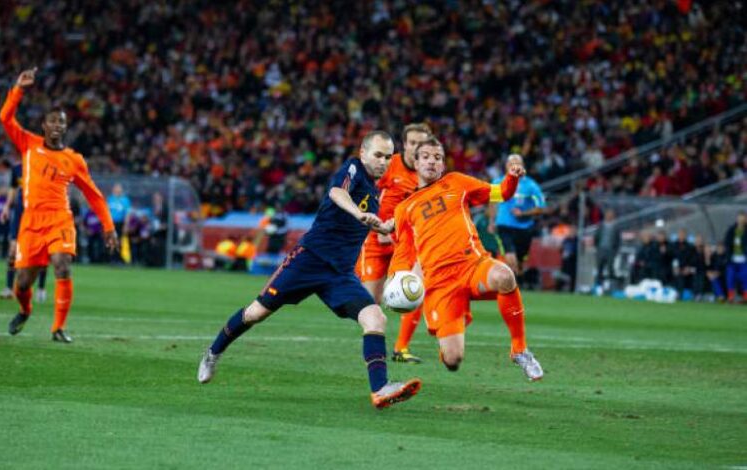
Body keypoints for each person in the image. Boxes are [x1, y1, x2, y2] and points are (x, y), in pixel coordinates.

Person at [198, 131, 422, 409]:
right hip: (309, 260)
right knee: (256, 313)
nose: (383, 162)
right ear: (363, 153)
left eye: (388, 157)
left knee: (375, 318)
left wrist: (382, 226)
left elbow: (361, 222)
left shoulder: (374, 192)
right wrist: (358, 213)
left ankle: (380, 389)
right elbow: (337, 193)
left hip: (340, 274)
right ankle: (213, 352)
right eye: (378, 155)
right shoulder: (353, 168)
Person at [391, 141, 543, 380]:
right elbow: (403, 251)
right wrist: (396, 278)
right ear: (416, 163)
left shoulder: (457, 182)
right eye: (426, 157)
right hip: (440, 284)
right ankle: (448, 344)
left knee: (505, 276)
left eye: (437, 157)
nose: (432, 161)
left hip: (472, 265)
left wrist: (512, 178)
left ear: (443, 165)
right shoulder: (404, 209)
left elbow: (500, 193)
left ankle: (519, 349)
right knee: (453, 360)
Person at [0, 68, 118, 342]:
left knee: (62, 265)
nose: (56, 126)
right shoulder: (29, 144)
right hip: (31, 222)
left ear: (65, 127)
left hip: (59, 219)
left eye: (61, 122)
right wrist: (19, 89)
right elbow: (5, 117)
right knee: (22, 283)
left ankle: (58, 328)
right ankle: (25, 310)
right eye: (52, 121)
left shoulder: (74, 160)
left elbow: (94, 195)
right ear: (44, 125)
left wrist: (109, 226)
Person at [356, 123, 431, 364]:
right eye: (413, 143)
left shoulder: (429, 172)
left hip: (404, 240)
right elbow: (365, 192)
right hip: (376, 238)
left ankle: (401, 348)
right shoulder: (389, 165)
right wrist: (376, 224)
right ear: (405, 145)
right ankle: (374, 347)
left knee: (416, 288)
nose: (417, 148)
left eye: (422, 143)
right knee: (371, 303)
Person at [489, 155, 547, 283]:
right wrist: (492, 222)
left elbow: (541, 207)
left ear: (522, 166)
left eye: (517, 163)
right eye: (511, 163)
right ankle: (512, 285)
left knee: (519, 262)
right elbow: (492, 203)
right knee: (510, 257)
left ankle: (518, 280)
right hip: (504, 225)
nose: (514, 166)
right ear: (506, 166)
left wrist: (524, 213)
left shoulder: (531, 186)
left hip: (524, 228)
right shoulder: (498, 183)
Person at [0, 161, 48, 302]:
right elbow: (13, 188)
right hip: (20, 215)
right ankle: (9, 288)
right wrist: (6, 207)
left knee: (41, 252)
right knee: (13, 250)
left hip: (39, 215)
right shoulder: (17, 168)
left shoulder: (42, 165)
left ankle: (41, 288)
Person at [594, 208, 621, 291]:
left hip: (611, 251)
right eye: (608, 214)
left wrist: (615, 251)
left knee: (610, 269)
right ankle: (598, 288)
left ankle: (611, 288)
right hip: (601, 250)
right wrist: (597, 248)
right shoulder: (600, 225)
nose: (609, 216)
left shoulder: (616, 227)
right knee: (599, 269)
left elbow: (618, 240)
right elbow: (596, 237)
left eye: (611, 214)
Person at [723, 212, 747, 303]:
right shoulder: (731, 230)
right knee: (730, 277)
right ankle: (731, 296)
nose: (741, 220)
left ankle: (745, 296)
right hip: (732, 259)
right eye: (739, 218)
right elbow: (727, 243)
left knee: (745, 277)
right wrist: (728, 255)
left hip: (744, 259)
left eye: (743, 218)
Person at [107, 183, 131, 263]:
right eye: (116, 188)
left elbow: (127, 214)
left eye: (119, 188)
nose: (118, 190)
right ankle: (111, 258)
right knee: (111, 240)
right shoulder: (110, 199)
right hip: (111, 223)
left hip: (120, 223)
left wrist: (126, 225)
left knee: (119, 240)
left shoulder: (125, 200)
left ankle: (118, 258)